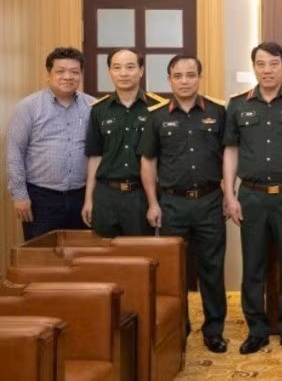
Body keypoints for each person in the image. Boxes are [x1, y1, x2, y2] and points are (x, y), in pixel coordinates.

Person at [223, 42, 282, 354]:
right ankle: (257, 331)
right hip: (251, 196)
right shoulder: (238, 105)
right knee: (253, 267)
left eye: (273, 63)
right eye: (261, 64)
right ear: (254, 68)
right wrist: (229, 195)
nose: (267, 70)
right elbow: (231, 152)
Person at [139, 55, 228, 353]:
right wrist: (153, 203)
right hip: (172, 204)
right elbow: (148, 162)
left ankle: (214, 331)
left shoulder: (218, 112)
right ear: (169, 80)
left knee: (212, 270)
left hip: (210, 202)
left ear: (199, 77)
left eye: (191, 74)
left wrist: (229, 195)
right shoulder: (157, 116)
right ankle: (179, 330)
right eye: (178, 75)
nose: (185, 80)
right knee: (172, 272)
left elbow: (228, 157)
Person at [7, 47, 94, 241]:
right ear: (49, 75)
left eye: (74, 72)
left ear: (80, 75)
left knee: (79, 255)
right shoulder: (28, 107)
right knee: (40, 257)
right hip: (41, 198)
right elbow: (15, 153)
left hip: (80, 196)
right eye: (60, 71)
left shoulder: (92, 107)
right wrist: (19, 195)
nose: (67, 77)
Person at [82, 48, 166, 237]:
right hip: (106, 195)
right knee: (106, 257)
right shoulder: (99, 110)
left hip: (141, 195)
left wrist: (155, 201)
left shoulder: (157, 108)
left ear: (141, 71)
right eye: (117, 67)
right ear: (109, 72)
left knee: (140, 257)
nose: (123, 73)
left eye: (130, 67)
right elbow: (95, 157)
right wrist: (89, 200)